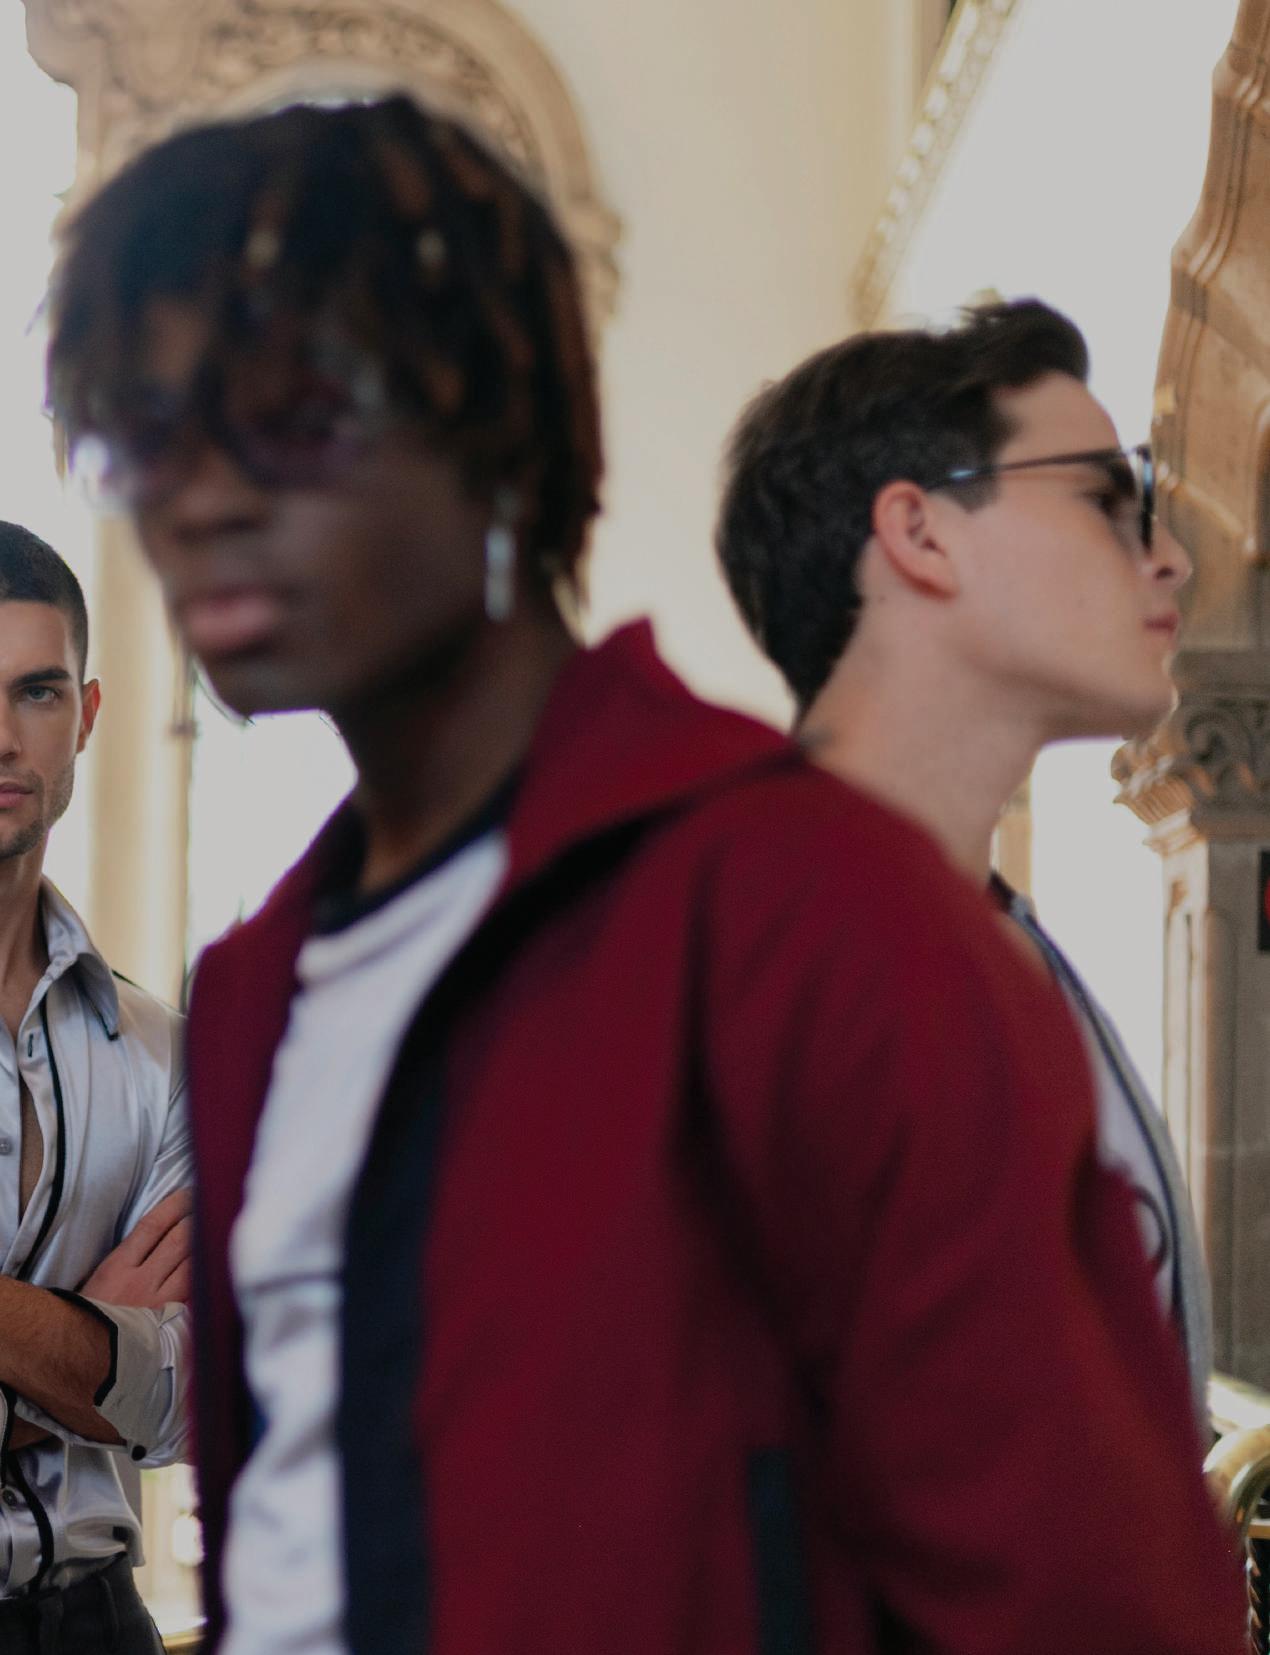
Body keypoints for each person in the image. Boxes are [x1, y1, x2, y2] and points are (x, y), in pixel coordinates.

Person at [46, 99, 1242, 1655]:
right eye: (144, 436)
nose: (196, 495)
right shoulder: (256, 985)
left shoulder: (806, 905)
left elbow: (1091, 1594)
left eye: (282, 417)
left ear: (495, 427)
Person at [715, 299, 1211, 1409]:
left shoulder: (994, 934)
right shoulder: (752, 953)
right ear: (922, 532)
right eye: (1105, 499)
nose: (1172, 560)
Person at [0, 524, 190, 1653]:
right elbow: (131, 1379)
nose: (2, 736)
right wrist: (89, 1330)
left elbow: (184, 1400)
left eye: (37, 690)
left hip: (101, 1625)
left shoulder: (159, 1052)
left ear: (87, 715)